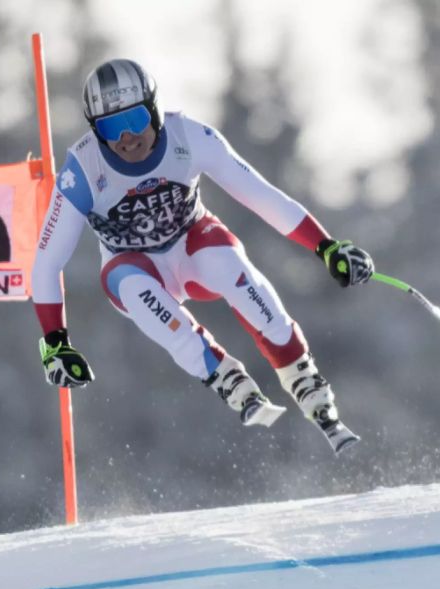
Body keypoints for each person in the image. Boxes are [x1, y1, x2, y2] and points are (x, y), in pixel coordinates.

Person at [31, 59, 374, 455]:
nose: (126, 137)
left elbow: (261, 196)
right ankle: (223, 375)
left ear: (154, 110)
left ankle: (303, 376)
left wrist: (325, 247)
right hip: (133, 264)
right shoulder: (83, 169)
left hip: (192, 243)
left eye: (135, 118)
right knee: (136, 287)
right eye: (110, 127)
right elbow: (46, 263)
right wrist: (55, 343)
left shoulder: (189, 136)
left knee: (226, 266)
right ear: (96, 130)